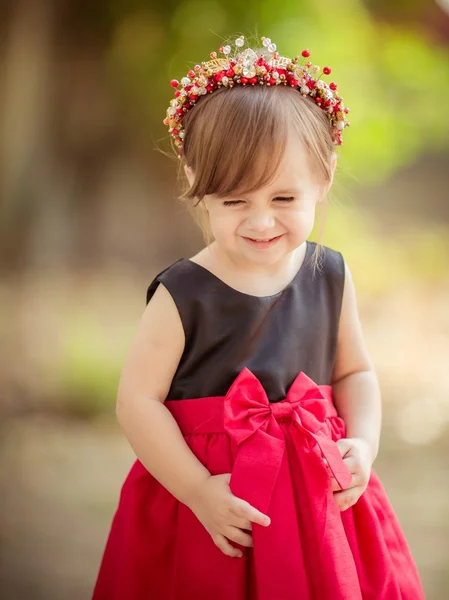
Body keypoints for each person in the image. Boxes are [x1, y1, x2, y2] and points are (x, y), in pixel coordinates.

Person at [93, 35, 425, 600]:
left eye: (284, 199)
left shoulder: (330, 276)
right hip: (217, 503)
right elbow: (137, 402)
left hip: (315, 501)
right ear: (196, 181)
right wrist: (198, 490)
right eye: (235, 201)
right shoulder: (182, 293)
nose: (262, 221)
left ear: (324, 177)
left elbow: (354, 374)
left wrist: (364, 444)